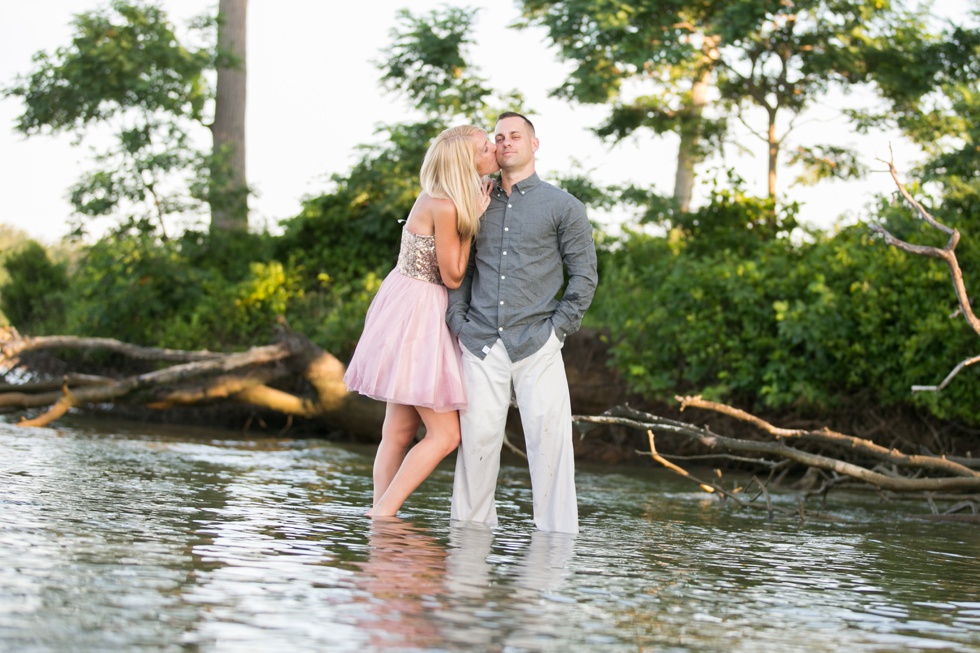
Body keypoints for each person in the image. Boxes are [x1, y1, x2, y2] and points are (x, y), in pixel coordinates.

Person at [447, 112, 598, 534]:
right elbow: (463, 269)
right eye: (499, 137)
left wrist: (558, 329)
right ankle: (467, 555)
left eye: (516, 135)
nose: (506, 142)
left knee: (550, 448)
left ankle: (555, 552)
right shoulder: (474, 201)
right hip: (479, 341)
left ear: (535, 144)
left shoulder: (564, 206)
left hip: (538, 343)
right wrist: (458, 321)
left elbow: (584, 275)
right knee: (475, 449)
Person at [344, 125, 499, 518]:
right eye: (485, 147)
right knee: (446, 435)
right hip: (420, 314)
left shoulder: (431, 196)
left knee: (396, 432)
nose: (493, 149)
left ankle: (379, 516)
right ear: (468, 163)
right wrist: (472, 223)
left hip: (403, 304)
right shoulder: (448, 206)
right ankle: (384, 512)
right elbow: (453, 276)